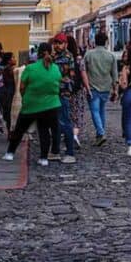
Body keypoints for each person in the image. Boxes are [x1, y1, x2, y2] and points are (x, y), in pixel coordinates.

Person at [3, 42, 62, 166]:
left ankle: (10, 153)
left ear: (38, 53)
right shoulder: (55, 68)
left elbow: (22, 87)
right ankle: (44, 158)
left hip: (32, 104)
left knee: (19, 129)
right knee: (44, 131)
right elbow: (58, 83)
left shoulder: (30, 68)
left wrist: (25, 97)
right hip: (51, 105)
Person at [84, 31, 118, 146]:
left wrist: (85, 86)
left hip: (92, 86)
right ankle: (100, 135)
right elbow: (114, 74)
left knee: (94, 111)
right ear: (106, 42)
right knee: (102, 111)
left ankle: (101, 132)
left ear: (95, 41)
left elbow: (84, 71)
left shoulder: (88, 55)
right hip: (106, 87)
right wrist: (115, 90)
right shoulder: (111, 55)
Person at [49, 33, 77, 164]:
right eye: (55, 43)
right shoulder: (52, 57)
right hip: (52, 93)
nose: (57, 45)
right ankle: (55, 151)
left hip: (64, 93)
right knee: (55, 123)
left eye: (59, 43)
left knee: (65, 122)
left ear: (65, 44)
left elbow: (70, 77)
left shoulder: (68, 57)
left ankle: (70, 152)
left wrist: (59, 80)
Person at [66, 34, 90, 147]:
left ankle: (69, 135)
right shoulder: (79, 59)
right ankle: (75, 135)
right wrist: (88, 89)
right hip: (78, 90)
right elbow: (84, 76)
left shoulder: (63, 60)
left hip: (65, 91)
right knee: (78, 114)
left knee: (68, 114)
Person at [0, 43, 16, 130]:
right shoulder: (11, 70)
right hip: (10, 93)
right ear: (9, 61)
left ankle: (9, 132)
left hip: (5, 92)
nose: (15, 59)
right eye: (13, 57)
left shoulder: (5, 69)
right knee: (10, 112)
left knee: (7, 113)